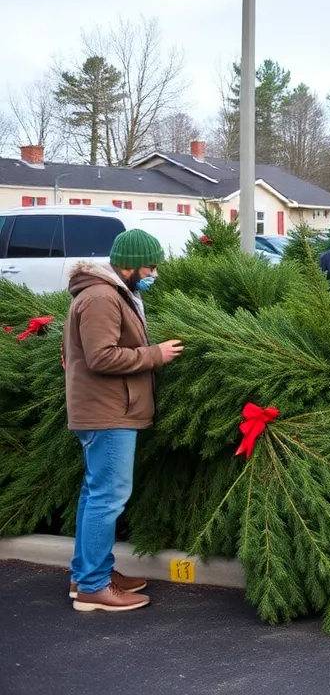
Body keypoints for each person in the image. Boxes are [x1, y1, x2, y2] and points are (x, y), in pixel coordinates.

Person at [62, 229, 185, 612]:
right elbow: (102, 357)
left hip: (105, 409)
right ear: (129, 265)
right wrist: (155, 355)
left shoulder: (109, 293)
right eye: (150, 266)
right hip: (108, 412)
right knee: (107, 498)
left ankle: (86, 575)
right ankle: (94, 588)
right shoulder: (101, 297)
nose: (154, 274)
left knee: (94, 493)